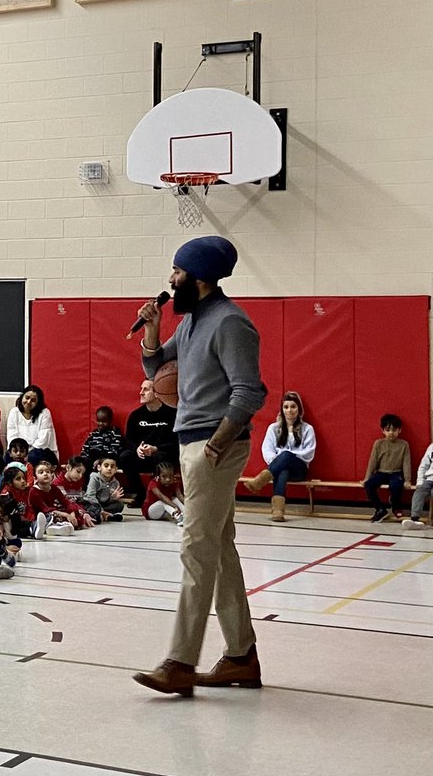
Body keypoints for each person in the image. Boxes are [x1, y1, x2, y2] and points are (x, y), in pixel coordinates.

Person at [132, 235, 267, 697]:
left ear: (200, 276)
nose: (170, 278)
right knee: (220, 551)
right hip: (193, 443)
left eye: (177, 270)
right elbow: (158, 371)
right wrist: (151, 330)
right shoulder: (192, 320)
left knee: (196, 549)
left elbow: (249, 391)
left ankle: (180, 662)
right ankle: (240, 656)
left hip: (212, 447)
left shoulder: (230, 323)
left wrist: (217, 443)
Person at [244, 390, 316, 522]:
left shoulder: (307, 429)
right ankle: (278, 511)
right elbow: (267, 449)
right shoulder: (273, 428)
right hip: (278, 468)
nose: (289, 410)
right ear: (282, 409)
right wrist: (279, 460)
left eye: (293, 407)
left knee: (286, 456)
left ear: (299, 409)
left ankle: (260, 481)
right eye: (286, 407)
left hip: (299, 469)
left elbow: (309, 452)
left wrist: (286, 457)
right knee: (282, 469)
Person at [118, 379, 180, 508]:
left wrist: (156, 448)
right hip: (143, 456)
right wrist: (137, 449)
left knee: (160, 457)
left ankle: (159, 494)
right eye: (141, 389)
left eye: (146, 389)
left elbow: (176, 442)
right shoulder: (136, 415)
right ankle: (141, 494)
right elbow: (128, 440)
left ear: (157, 393)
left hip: (163, 455)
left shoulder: (172, 414)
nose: (141, 393)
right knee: (125, 457)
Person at [362, 414, 412, 523]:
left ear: (399, 430)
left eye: (394, 430)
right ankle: (380, 509)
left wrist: (407, 480)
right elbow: (373, 462)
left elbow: (406, 463)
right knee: (369, 485)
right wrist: (367, 477)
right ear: (383, 431)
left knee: (396, 486)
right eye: (388, 430)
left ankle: (395, 505)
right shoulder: (378, 443)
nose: (391, 433)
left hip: (396, 473)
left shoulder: (404, 444)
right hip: (381, 472)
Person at [5, 386, 57, 466]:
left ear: (38, 403)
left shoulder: (44, 413)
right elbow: (12, 437)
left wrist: (26, 453)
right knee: (8, 456)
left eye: (33, 400)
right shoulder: (14, 412)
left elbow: (43, 440)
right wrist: (20, 451)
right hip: (21, 450)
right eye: (27, 397)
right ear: (22, 397)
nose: (28, 402)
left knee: (32, 457)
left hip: (40, 450)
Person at [81, 406, 127, 471]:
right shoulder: (93, 433)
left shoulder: (115, 433)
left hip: (108, 460)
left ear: (110, 420)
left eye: (104, 421)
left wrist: (102, 460)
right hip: (93, 460)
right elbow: (85, 450)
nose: (100, 423)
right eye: (98, 421)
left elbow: (115, 451)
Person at [84, 456, 125, 523]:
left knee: (119, 505)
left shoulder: (116, 482)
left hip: (104, 505)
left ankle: (106, 516)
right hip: (92, 503)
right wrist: (101, 510)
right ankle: (102, 515)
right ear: (99, 468)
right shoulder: (94, 478)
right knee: (91, 508)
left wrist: (113, 498)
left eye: (112, 467)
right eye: (106, 466)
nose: (109, 469)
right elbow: (90, 497)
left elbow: (107, 501)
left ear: (116, 469)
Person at [403, 442, 432, 530]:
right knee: (419, 492)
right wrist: (420, 481)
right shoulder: (431, 447)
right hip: (429, 479)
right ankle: (414, 519)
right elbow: (423, 466)